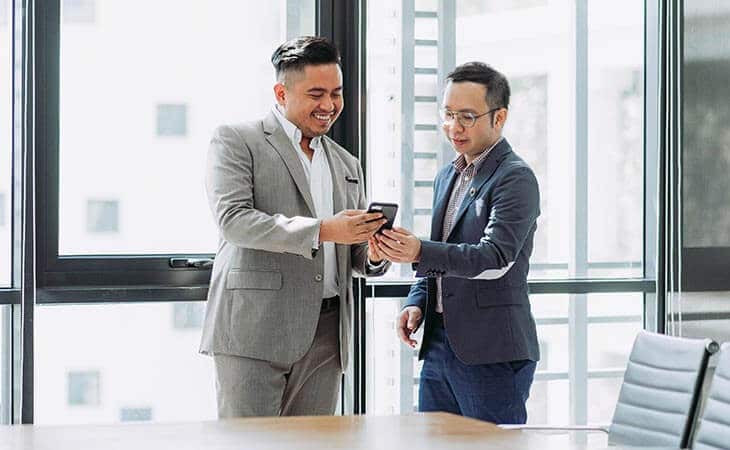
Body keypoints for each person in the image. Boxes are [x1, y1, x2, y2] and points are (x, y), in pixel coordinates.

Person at [200, 36, 390, 418]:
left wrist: (371, 252)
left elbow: (349, 253)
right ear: (281, 92)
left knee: (315, 445)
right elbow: (234, 221)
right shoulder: (238, 140)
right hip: (254, 328)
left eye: (336, 93)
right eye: (316, 93)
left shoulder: (347, 163)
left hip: (328, 333)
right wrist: (322, 230)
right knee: (249, 446)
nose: (329, 105)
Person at [372, 62, 540, 424]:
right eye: (447, 114)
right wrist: (417, 301)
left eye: (466, 116)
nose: (454, 127)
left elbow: (495, 258)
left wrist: (419, 250)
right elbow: (442, 252)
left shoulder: (516, 178)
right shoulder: (448, 175)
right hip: (437, 345)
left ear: (499, 117)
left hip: (491, 352)